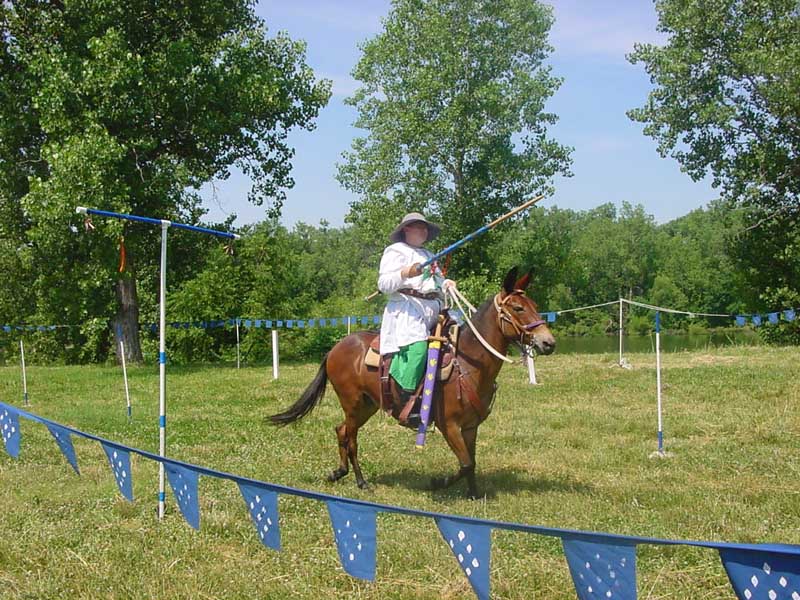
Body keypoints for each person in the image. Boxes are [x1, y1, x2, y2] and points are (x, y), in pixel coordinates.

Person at [377, 212, 455, 396]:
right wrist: (404, 273)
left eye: (425, 228)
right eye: (420, 227)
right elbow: (383, 284)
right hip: (408, 309)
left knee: (458, 339)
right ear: (406, 229)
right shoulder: (395, 250)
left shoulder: (429, 255)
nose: (424, 231)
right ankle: (405, 394)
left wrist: (446, 284)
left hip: (434, 308)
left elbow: (436, 282)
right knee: (419, 349)